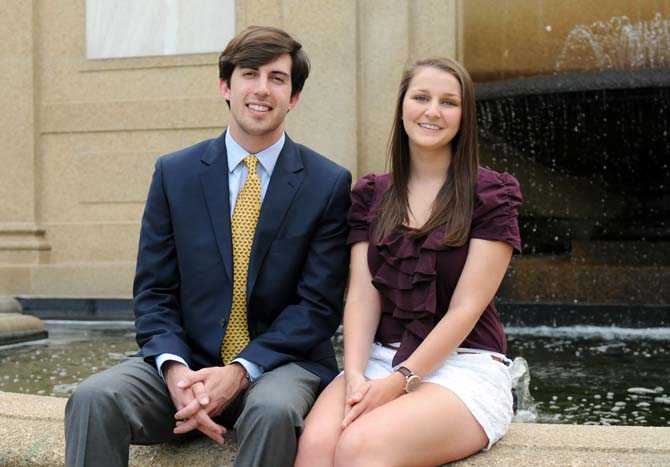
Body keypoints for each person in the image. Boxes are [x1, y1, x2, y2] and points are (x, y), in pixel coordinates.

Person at [64, 26, 352, 467]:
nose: (261, 89)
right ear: (225, 86)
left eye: (277, 78)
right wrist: (176, 370)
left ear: (293, 97)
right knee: (93, 397)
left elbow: (317, 306)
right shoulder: (174, 173)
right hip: (187, 367)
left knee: (272, 411)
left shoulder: (328, 183)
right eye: (249, 74)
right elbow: (154, 292)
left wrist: (238, 372)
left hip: (279, 368)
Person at [295, 57, 523, 467]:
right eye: (421, 97)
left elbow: (466, 310)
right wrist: (355, 375)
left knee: (359, 447)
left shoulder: (492, 195)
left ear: (464, 115)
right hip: (380, 358)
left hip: (465, 364)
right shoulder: (371, 194)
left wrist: (400, 382)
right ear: (403, 106)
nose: (433, 111)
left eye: (448, 102)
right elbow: (363, 296)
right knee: (314, 448)